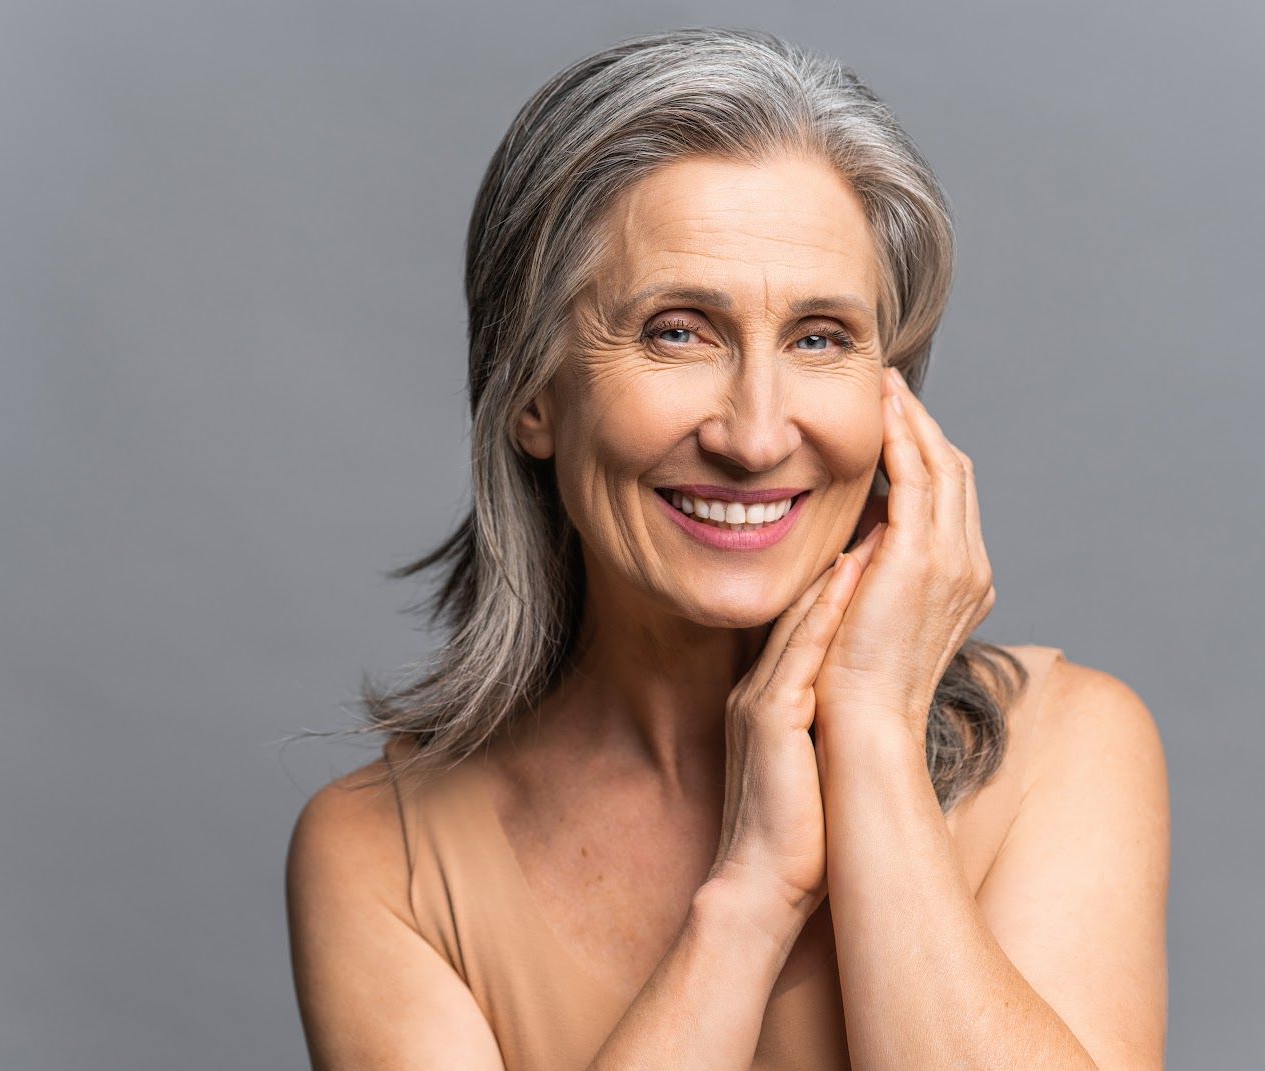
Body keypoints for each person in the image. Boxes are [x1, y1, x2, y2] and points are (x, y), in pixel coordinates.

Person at [286, 26, 1169, 1071]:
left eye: (819, 338)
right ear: (532, 394)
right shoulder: (379, 857)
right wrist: (748, 899)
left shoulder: (1063, 752)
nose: (754, 435)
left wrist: (874, 740)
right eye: (676, 331)